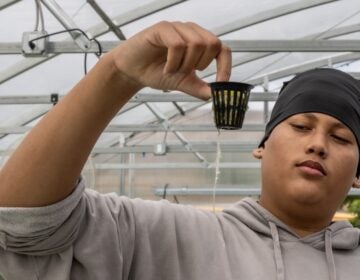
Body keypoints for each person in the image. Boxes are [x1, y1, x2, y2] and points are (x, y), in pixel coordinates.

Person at [0, 21, 359, 280]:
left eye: (341, 137)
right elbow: (23, 222)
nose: (317, 143)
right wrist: (116, 74)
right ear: (261, 147)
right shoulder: (168, 236)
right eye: (300, 126)